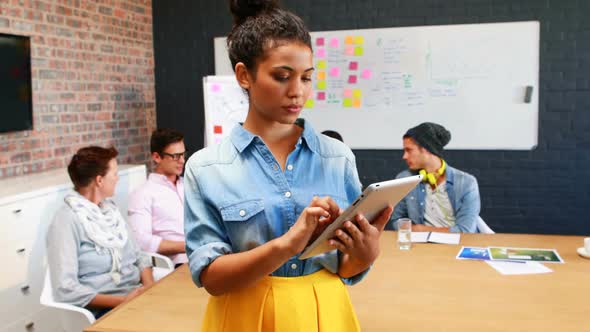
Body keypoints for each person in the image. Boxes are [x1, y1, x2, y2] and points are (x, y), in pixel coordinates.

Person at [183, 1, 393, 331]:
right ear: (244, 75)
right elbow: (211, 278)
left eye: (306, 78)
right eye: (282, 76)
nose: (297, 91)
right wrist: (288, 245)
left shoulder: (337, 157)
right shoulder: (206, 167)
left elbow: (345, 268)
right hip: (243, 315)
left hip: (325, 311)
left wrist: (365, 254)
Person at [46, 146, 153, 318]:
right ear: (99, 180)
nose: (118, 179)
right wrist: (123, 301)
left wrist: (149, 289)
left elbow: (139, 256)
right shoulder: (66, 220)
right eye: (115, 174)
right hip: (105, 309)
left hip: (136, 297)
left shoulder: (111, 211)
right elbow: (66, 289)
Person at [386, 122, 480, 233]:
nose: (404, 156)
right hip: (421, 246)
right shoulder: (404, 179)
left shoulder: (467, 183)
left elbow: (465, 231)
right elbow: (397, 220)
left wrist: (421, 229)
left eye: (409, 150)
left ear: (426, 149)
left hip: (457, 245)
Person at [128, 128, 188, 267]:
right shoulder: (143, 194)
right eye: (176, 156)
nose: (182, 161)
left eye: (183, 154)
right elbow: (140, 240)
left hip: (207, 255)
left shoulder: (189, 185)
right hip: (178, 263)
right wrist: (186, 246)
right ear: (157, 157)